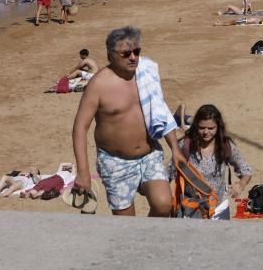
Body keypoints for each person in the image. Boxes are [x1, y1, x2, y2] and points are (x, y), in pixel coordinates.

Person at [72, 26, 186, 217]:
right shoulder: (99, 84)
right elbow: (79, 128)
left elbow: (160, 111)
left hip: (149, 155)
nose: (133, 57)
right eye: (125, 54)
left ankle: (145, 238)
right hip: (115, 162)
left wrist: (175, 149)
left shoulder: (145, 73)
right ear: (111, 55)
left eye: (136, 52)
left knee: (164, 205)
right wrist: (83, 172)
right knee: (126, 222)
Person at [171, 104, 252, 219]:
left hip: (219, 209)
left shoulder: (226, 146)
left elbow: (246, 170)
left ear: (218, 127)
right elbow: (168, 173)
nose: (205, 132)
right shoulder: (185, 146)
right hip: (190, 210)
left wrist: (241, 184)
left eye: (211, 128)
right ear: (195, 126)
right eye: (201, 127)